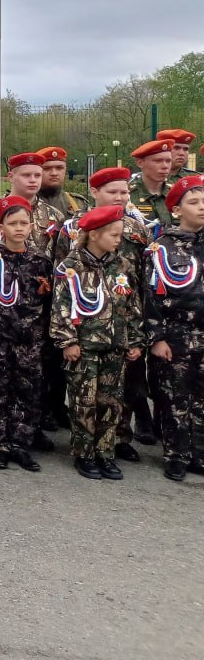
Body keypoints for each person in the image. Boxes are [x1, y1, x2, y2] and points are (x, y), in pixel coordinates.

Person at [54, 166, 154, 457]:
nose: (120, 197)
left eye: (124, 192)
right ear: (95, 192)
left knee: (120, 389)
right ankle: (86, 448)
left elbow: (141, 278)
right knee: (87, 394)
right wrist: (67, 336)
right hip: (86, 323)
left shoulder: (136, 228)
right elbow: (63, 277)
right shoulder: (73, 228)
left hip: (122, 317)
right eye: (113, 192)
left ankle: (116, 440)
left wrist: (136, 332)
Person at [0, 196, 52, 471]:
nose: (19, 228)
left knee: (27, 391)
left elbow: (47, 301)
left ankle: (20, 444)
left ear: (31, 226)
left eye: (24, 223)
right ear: (0, 226)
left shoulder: (40, 260)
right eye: (12, 223)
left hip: (29, 338)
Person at [144, 174, 204, 481]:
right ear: (176, 210)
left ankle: (199, 452)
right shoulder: (162, 248)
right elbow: (150, 296)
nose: (202, 207)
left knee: (201, 398)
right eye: (193, 202)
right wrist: (156, 337)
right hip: (176, 336)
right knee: (173, 398)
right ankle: (176, 454)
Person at [129, 138, 175, 234]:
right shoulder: (126, 195)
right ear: (140, 163)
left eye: (168, 161)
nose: (165, 166)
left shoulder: (177, 194)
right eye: (158, 161)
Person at [38, 147, 90, 216]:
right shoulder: (25, 203)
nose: (54, 173)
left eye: (59, 168)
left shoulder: (78, 204)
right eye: (47, 168)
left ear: (65, 170)